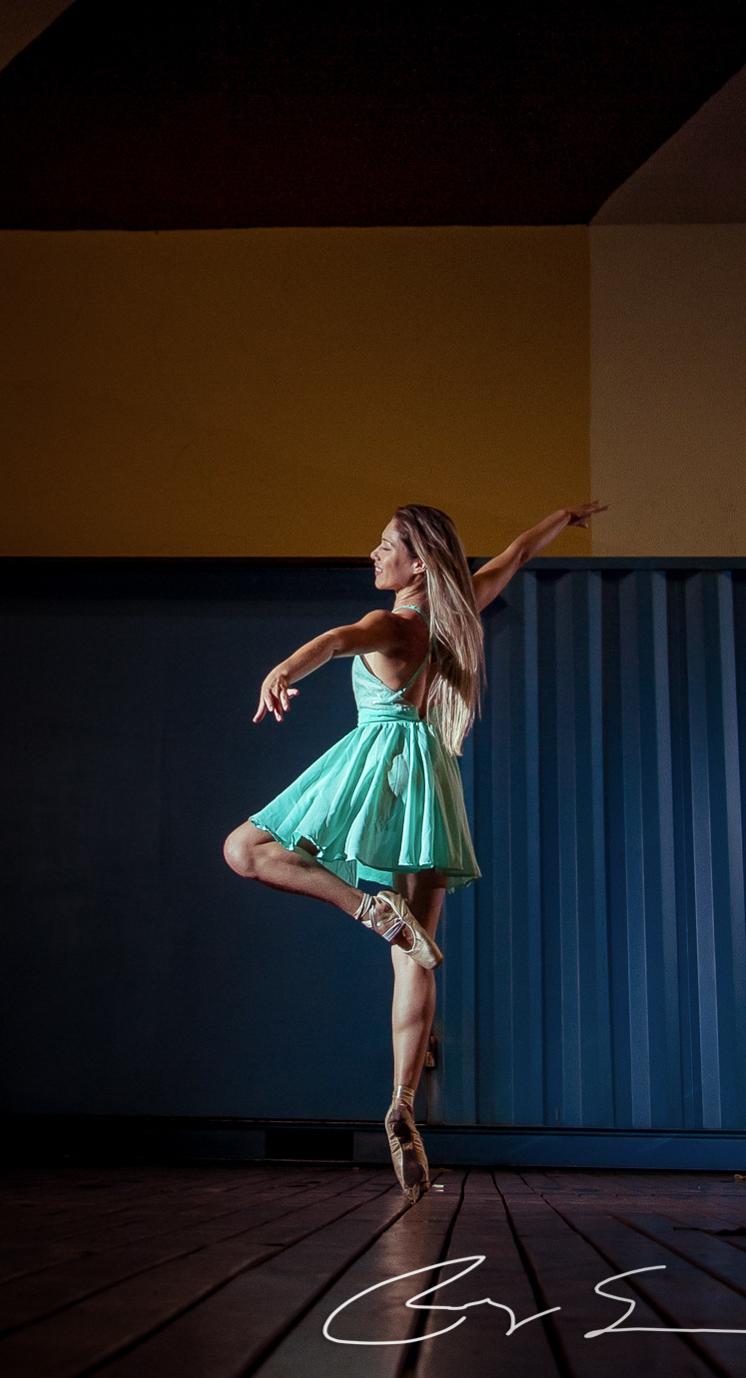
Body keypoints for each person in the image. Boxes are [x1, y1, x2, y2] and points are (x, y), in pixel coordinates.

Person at [223, 500, 607, 1204]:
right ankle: (401, 1101)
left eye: (386, 544)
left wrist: (284, 666)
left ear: (418, 560)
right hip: (429, 780)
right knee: (418, 948)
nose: (374, 553)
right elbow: (514, 557)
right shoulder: (454, 612)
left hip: (378, 765)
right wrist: (562, 517)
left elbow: (339, 638)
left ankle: (366, 907)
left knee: (244, 848)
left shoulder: (395, 622)